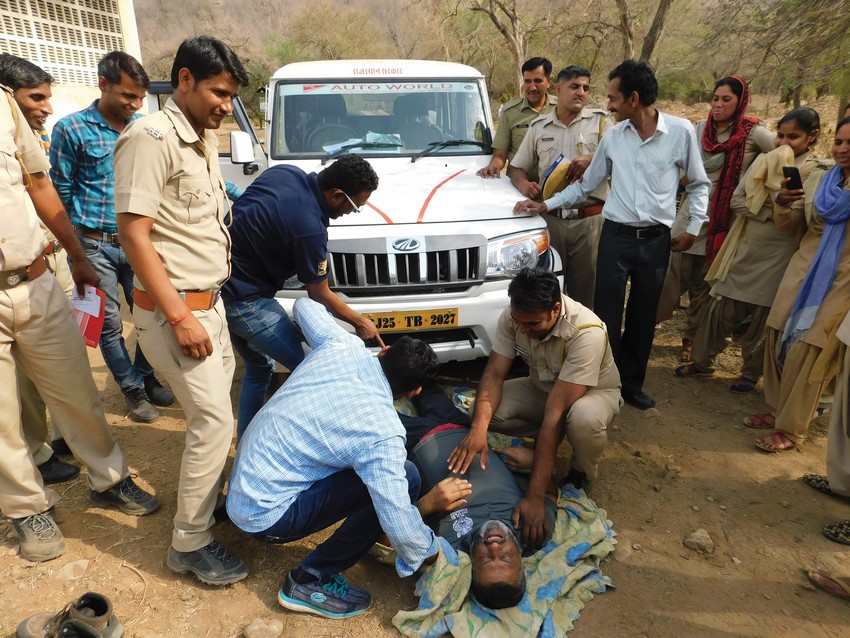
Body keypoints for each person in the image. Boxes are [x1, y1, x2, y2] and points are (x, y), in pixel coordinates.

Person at [1, 79, 160, 564]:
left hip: (36, 280)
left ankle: (109, 479)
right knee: (3, 417)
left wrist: (76, 255)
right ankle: (27, 507)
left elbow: (41, 183)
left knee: (78, 392)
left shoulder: (3, 104)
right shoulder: (75, 127)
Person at [115, 36, 250, 585]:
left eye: (231, 96)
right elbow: (133, 232)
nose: (225, 104)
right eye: (219, 92)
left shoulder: (203, 137)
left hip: (208, 307)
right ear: (186, 80)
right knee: (214, 423)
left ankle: (204, 507)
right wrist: (179, 316)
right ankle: (189, 543)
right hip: (178, 315)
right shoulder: (150, 137)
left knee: (214, 422)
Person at [227, 297, 441, 619]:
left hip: (243, 485)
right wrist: (431, 551)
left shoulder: (342, 343)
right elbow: (396, 516)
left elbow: (304, 305)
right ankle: (310, 579)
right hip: (265, 516)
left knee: (363, 464)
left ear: (384, 352)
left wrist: (356, 321)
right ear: (413, 393)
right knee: (406, 476)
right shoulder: (383, 432)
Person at [514, 60, 711, 409]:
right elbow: (586, 187)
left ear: (634, 98)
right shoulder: (614, 138)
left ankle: (631, 386)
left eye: (613, 97)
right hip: (615, 237)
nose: (608, 105)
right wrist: (547, 205)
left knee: (642, 315)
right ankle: (604, 384)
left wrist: (692, 228)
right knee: (604, 315)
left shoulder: (681, 133)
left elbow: (697, 185)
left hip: (656, 241)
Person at [447, 268, 620, 546]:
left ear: (555, 309)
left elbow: (555, 414)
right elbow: (493, 374)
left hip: (592, 394)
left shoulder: (587, 332)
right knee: (482, 413)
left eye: (532, 325)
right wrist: (477, 431)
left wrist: (536, 497)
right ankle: (542, 450)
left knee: (582, 419)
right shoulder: (516, 315)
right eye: (519, 323)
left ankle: (580, 472)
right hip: (543, 387)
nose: (523, 330)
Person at [49, 51, 174, 424]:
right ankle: (133, 390)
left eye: (140, 98)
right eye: (128, 96)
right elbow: (60, 194)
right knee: (110, 326)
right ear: (103, 84)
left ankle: (147, 376)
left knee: (150, 317)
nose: (135, 105)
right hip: (93, 244)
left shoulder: (143, 129)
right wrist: (78, 254)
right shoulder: (71, 130)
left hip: (138, 243)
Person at [222, 155, 383, 438]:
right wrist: (359, 321)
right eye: (355, 206)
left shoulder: (284, 172)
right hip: (246, 302)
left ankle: (246, 440)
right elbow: (318, 292)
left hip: (222, 281)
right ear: (336, 196)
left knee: (260, 367)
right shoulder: (309, 229)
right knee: (315, 367)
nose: (352, 212)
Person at [675, 108, 824, 390]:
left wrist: (774, 207)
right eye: (780, 135)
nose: (783, 143)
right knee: (721, 306)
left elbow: (799, 220)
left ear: (812, 137)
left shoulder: (813, 173)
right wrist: (774, 206)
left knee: (762, 318)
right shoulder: (763, 162)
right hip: (745, 246)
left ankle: (750, 374)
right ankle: (702, 362)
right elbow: (737, 202)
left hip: (781, 255)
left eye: (794, 137)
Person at [400, 383, 557, 609]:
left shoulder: (448, 549)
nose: (495, 548)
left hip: (416, 440)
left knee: (369, 407)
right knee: (423, 382)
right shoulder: (533, 530)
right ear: (521, 558)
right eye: (505, 558)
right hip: (467, 430)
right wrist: (532, 462)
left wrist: (427, 504)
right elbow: (551, 494)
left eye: (486, 559)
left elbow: (385, 541)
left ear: (472, 564)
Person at [745, 115, 850, 453]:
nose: (843, 150)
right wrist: (782, 203)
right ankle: (776, 408)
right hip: (803, 267)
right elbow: (791, 226)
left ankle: (791, 428)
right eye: (839, 142)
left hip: (842, 278)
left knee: (809, 348)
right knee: (777, 334)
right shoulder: (820, 177)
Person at [0, 54, 79, 485]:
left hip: (47, 265)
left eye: (48, 97)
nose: (47, 106)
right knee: (20, 381)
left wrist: (73, 255)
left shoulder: (31, 137)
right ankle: (36, 451)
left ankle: (64, 440)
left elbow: (46, 192)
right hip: (15, 280)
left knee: (65, 365)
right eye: (37, 97)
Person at [657, 77, 775, 364]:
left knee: (706, 288)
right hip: (689, 217)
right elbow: (677, 163)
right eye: (716, 99)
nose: (719, 105)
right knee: (667, 279)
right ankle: (648, 326)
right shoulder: (699, 130)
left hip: (724, 225)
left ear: (741, 102)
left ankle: (691, 340)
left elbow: (783, 155)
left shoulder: (754, 133)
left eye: (727, 100)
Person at [507, 64, 611, 308]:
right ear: (558, 89)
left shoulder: (601, 123)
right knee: (549, 289)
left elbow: (618, 161)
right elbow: (515, 168)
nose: (581, 93)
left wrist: (591, 159)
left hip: (589, 222)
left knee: (588, 292)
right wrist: (524, 185)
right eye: (574, 86)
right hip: (551, 220)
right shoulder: (539, 127)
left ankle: (584, 342)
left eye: (586, 88)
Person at [477, 57, 556, 179]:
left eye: (538, 81)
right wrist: (493, 166)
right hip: (520, 185)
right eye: (527, 81)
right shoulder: (510, 112)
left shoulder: (561, 108)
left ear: (549, 81)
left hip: (556, 188)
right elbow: (500, 154)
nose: (532, 87)